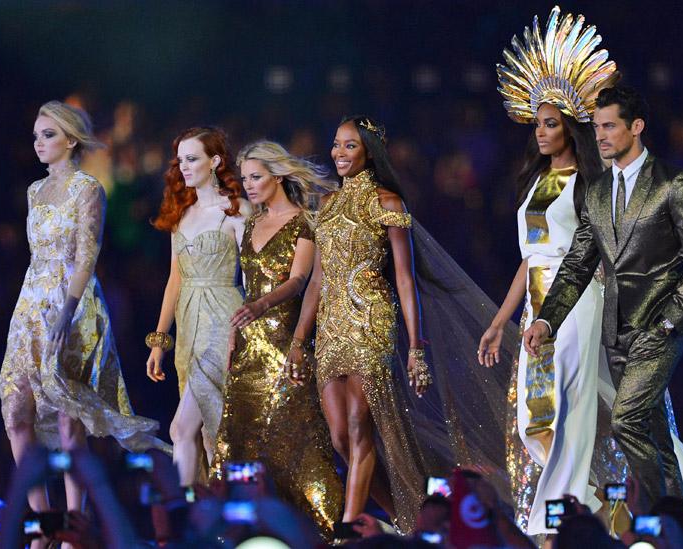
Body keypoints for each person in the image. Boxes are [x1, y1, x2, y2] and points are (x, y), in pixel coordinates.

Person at [286, 116, 515, 532]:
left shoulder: (388, 202)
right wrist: (299, 340)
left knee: (359, 424)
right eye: (336, 144)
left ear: (369, 152)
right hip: (332, 326)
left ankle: (351, 526)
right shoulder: (326, 206)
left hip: (372, 320)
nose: (339, 153)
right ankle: (404, 518)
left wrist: (414, 346)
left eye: (350, 146)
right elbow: (317, 279)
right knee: (340, 435)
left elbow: (406, 278)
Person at [523, 84, 683, 510]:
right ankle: (678, 527)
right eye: (597, 128)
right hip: (616, 331)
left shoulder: (674, 184)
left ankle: (654, 518)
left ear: (637, 127)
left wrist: (671, 318)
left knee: (626, 419)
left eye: (610, 126)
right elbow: (577, 265)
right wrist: (546, 319)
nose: (602, 136)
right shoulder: (596, 192)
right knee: (655, 436)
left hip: (660, 328)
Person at [485, 6, 623, 534]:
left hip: (579, 300)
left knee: (570, 414)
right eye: (537, 123)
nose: (540, 132)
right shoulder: (536, 182)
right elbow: (530, 259)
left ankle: (553, 525)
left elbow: (602, 250)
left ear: (569, 127)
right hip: (536, 302)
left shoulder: (589, 183)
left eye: (550, 124)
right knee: (532, 424)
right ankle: (603, 516)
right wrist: (500, 322)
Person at [0, 101, 166, 535]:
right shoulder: (34, 191)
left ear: (71, 140)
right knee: (16, 412)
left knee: (68, 419)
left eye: (48, 134)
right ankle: (42, 522)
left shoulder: (88, 187)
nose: (39, 143)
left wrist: (68, 311)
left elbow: (86, 255)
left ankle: (74, 525)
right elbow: (36, 255)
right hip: (30, 304)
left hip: (72, 307)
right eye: (36, 135)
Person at [211, 140, 342, 537]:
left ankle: (316, 531)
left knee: (295, 442)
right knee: (238, 441)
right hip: (249, 348)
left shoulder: (305, 221)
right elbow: (245, 284)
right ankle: (240, 532)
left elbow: (300, 281)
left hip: (286, 344)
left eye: (257, 177)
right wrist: (236, 330)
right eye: (245, 178)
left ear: (279, 176)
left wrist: (262, 305)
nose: (249, 186)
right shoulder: (250, 223)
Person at [147, 127, 250, 486]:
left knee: (181, 427)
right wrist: (159, 341)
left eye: (193, 158)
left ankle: (181, 520)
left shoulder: (237, 211)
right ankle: (213, 520)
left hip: (223, 320)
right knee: (208, 433)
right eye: (181, 159)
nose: (184, 166)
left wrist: (247, 331)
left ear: (215, 161)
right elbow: (174, 280)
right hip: (188, 325)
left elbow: (253, 279)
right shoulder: (182, 213)